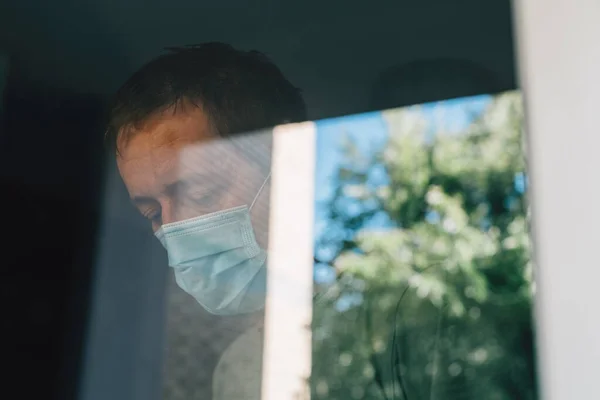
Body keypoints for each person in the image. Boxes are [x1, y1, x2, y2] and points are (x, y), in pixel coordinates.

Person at [106, 42, 307, 400]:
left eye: (200, 192)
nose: (176, 232)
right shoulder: (241, 366)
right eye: (153, 214)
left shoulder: (400, 317)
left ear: (289, 161)